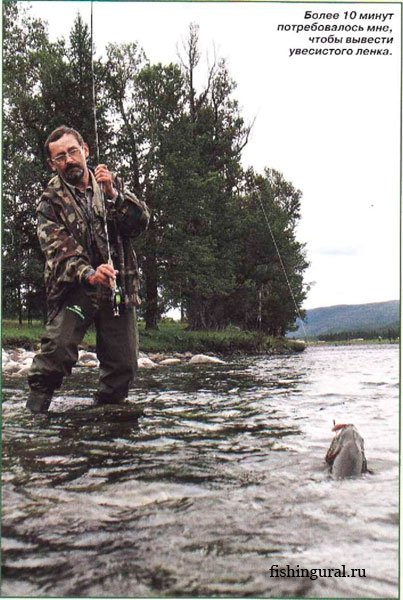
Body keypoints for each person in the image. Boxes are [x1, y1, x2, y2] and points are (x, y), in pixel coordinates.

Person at [27, 125, 150, 413]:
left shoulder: (108, 183)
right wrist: (89, 273)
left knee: (123, 366)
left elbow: (140, 223)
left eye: (72, 151)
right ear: (52, 164)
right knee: (56, 353)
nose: (68, 160)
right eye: (60, 157)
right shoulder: (48, 202)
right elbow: (58, 250)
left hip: (117, 287)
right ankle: (35, 417)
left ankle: (108, 424)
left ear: (85, 151)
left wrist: (115, 195)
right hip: (76, 289)